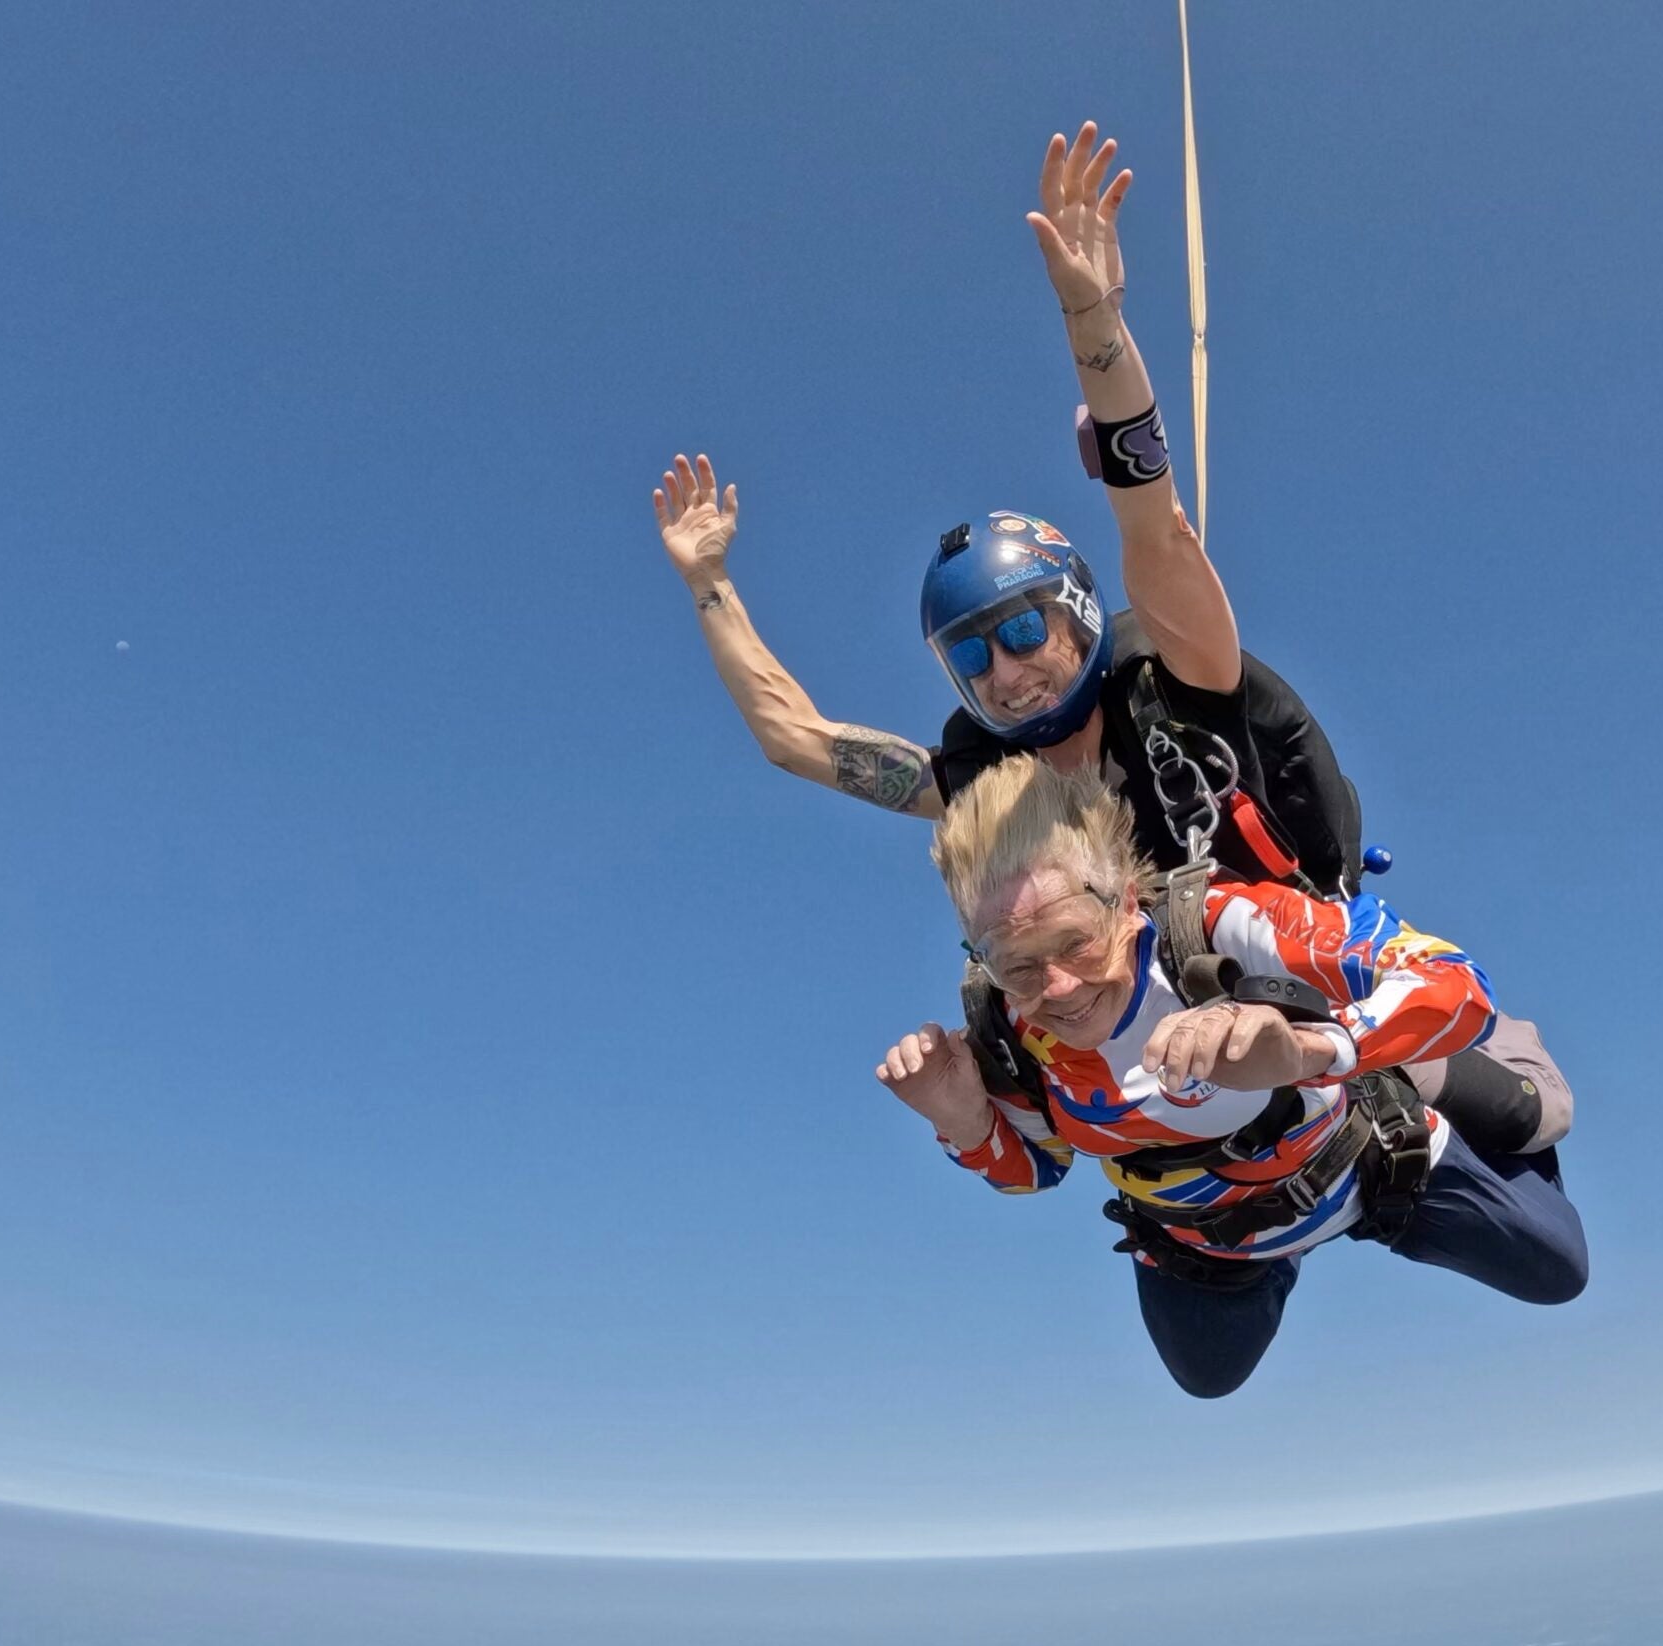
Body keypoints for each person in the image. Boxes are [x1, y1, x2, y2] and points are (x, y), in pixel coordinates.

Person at [652, 123, 1576, 1168]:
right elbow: (795, 739)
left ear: (1079, 612)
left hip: (1300, 961)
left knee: (1525, 1126)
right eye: (973, 658)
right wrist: (708, 581)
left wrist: (1093, 319)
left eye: (1020, 628)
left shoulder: (1179, 686)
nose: (1006, 670)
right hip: (1151, 1013)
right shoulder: (985, 782)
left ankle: (1429, 1068)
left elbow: (1156, 526)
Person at [875, 756, 1588, 1398]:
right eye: (1018, 965)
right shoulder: (1008, 1030)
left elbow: (1454, 981)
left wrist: (1320, 1047)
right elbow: (1038, 1169)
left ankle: (1423, 1067)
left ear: (1126, 901)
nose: (1059, 987)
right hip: (1208, 1240)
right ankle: (1296, 1221)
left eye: (1076, 942)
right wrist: (960, 1115)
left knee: (1558, 1266)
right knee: (1207, 1376)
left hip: (1367, 1161)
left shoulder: (1221, 929)